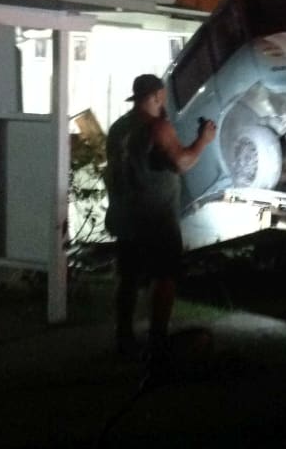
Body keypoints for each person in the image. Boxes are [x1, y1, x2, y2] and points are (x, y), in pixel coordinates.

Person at [104, 74, 216, 364]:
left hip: (125, 213)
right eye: (163, 96)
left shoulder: (119, 128)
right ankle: (158, 340)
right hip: (155, 217)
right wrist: (203, 140)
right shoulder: (157, 127)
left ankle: (123, 337)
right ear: (156, 95)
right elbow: (181, 162)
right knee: (164, 277)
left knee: (127, 278)